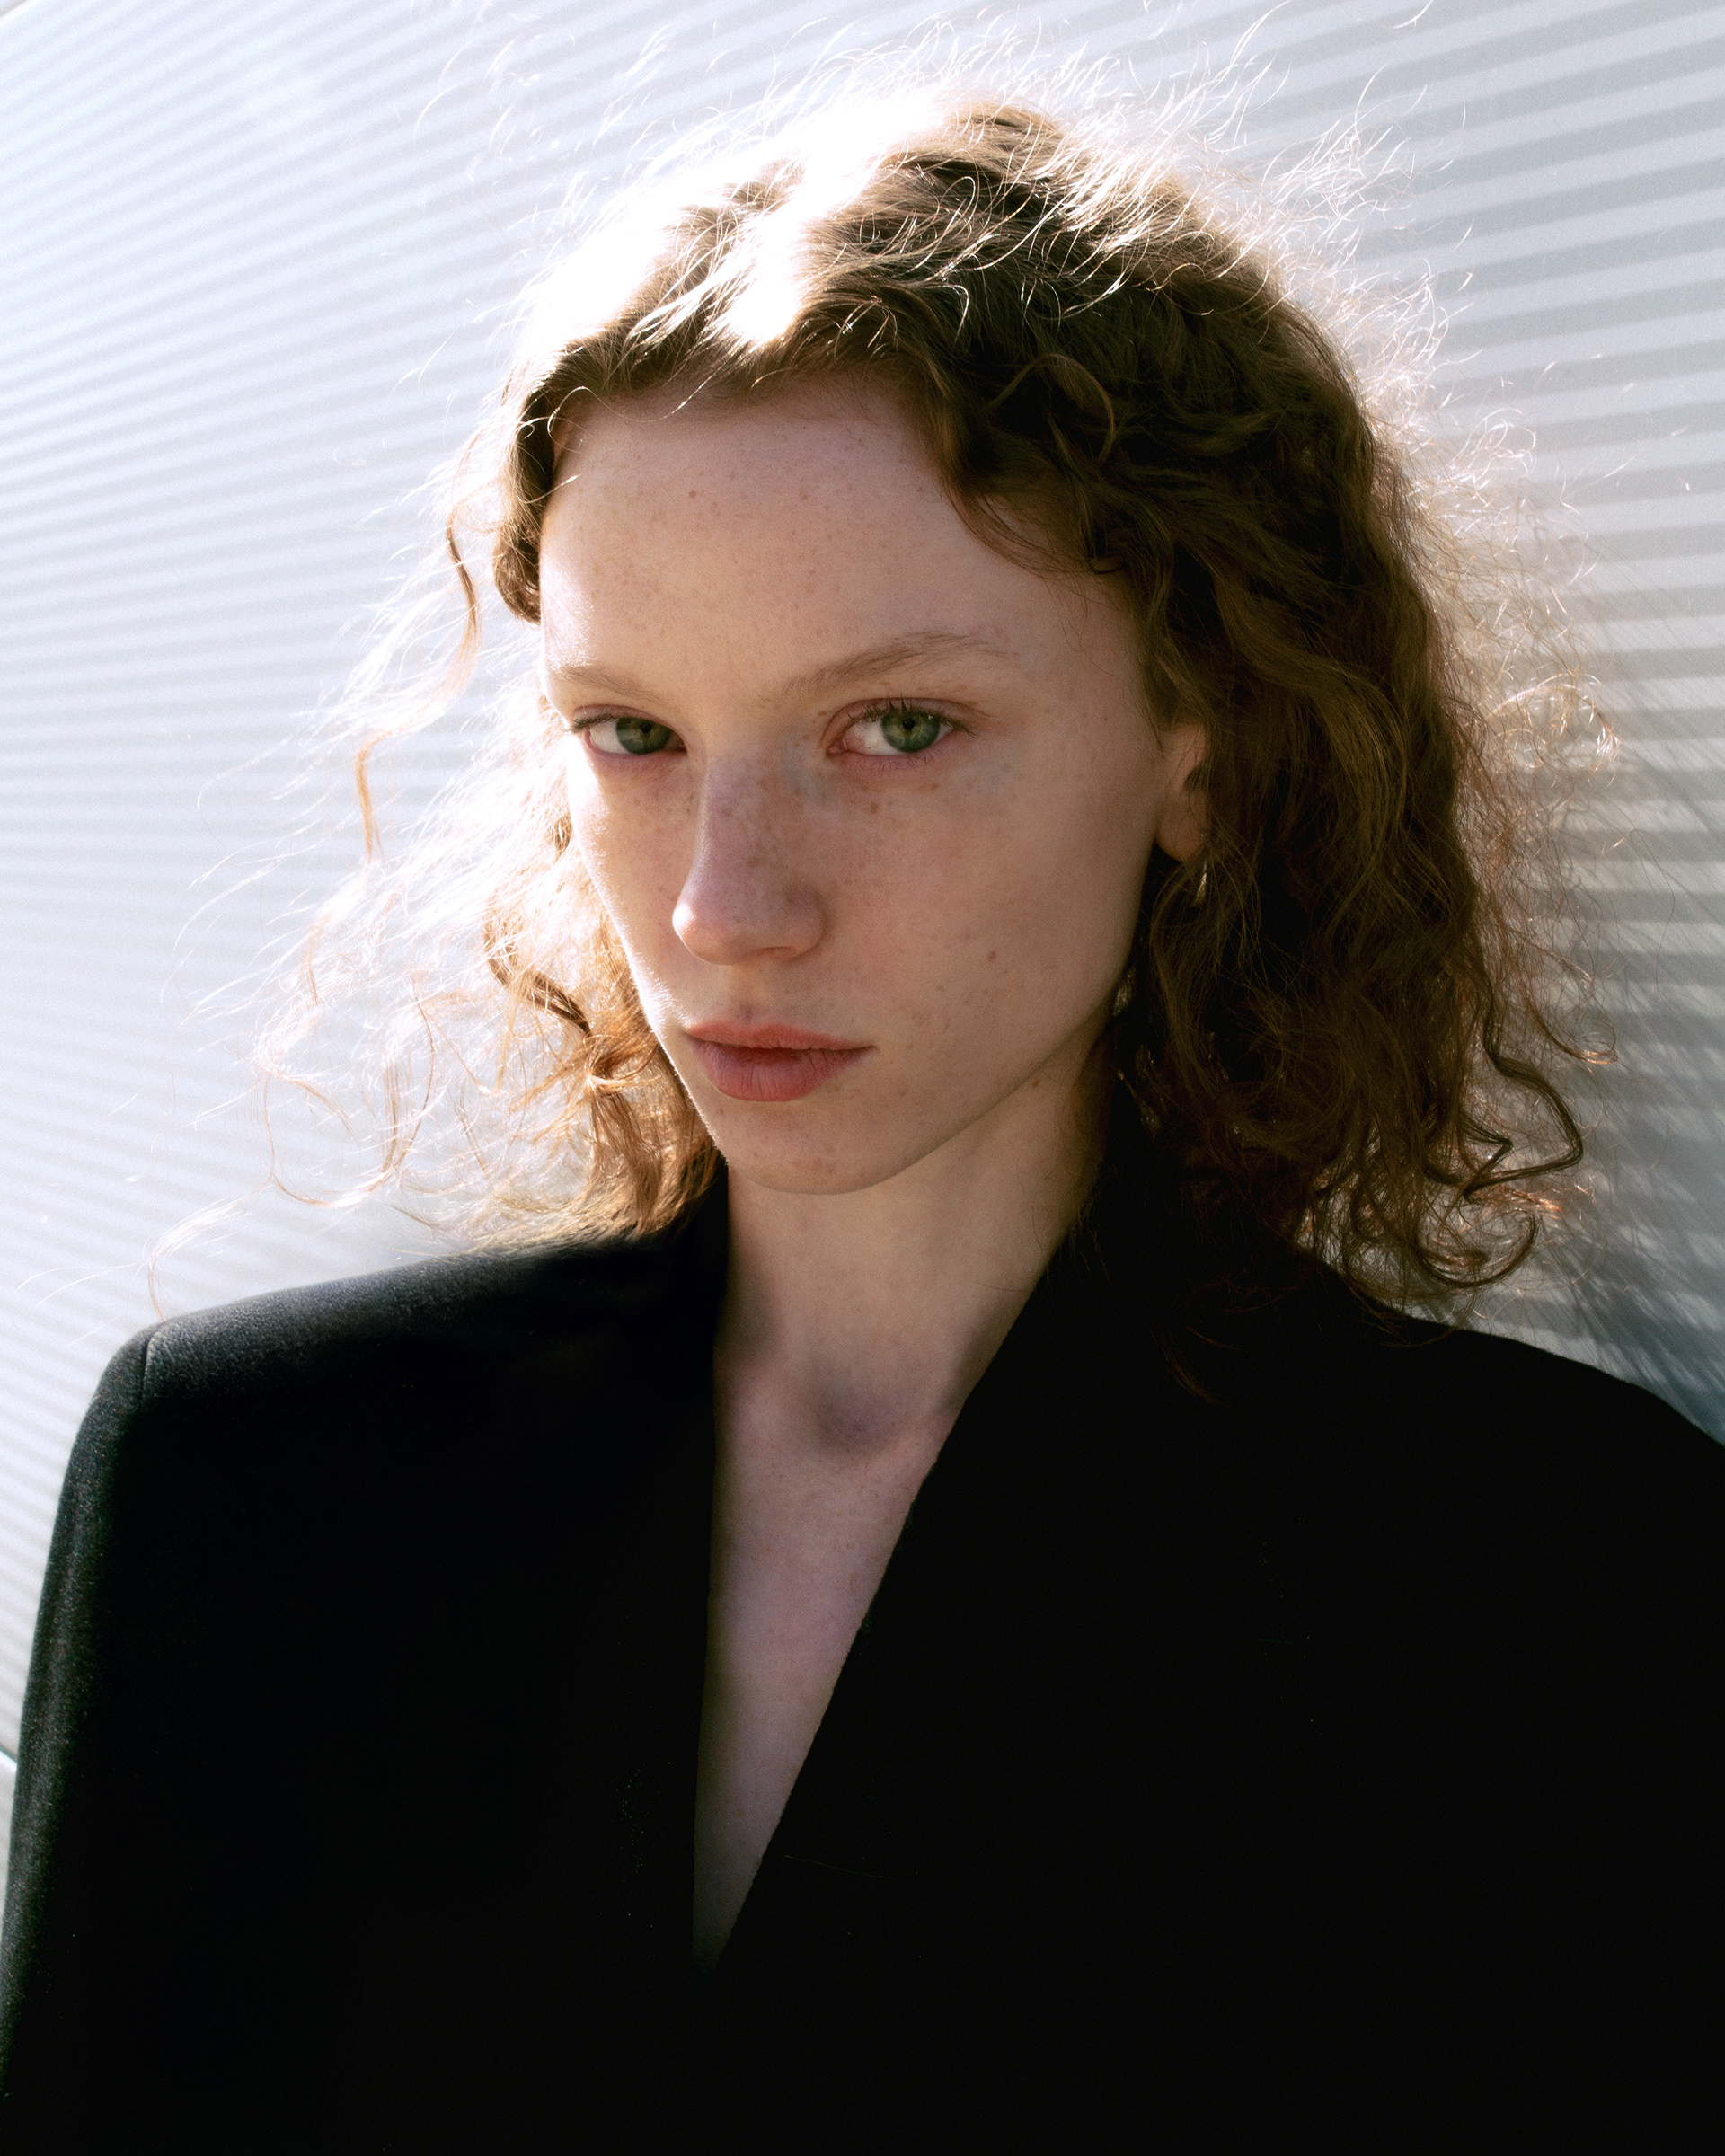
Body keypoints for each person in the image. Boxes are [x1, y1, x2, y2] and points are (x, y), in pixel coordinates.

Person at [1, 86, 1719, 2149]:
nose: (727, 908)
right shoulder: (236, 1481)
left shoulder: (1554, 1584)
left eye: (897, 727)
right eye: (634, 734)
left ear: (1203, 752)